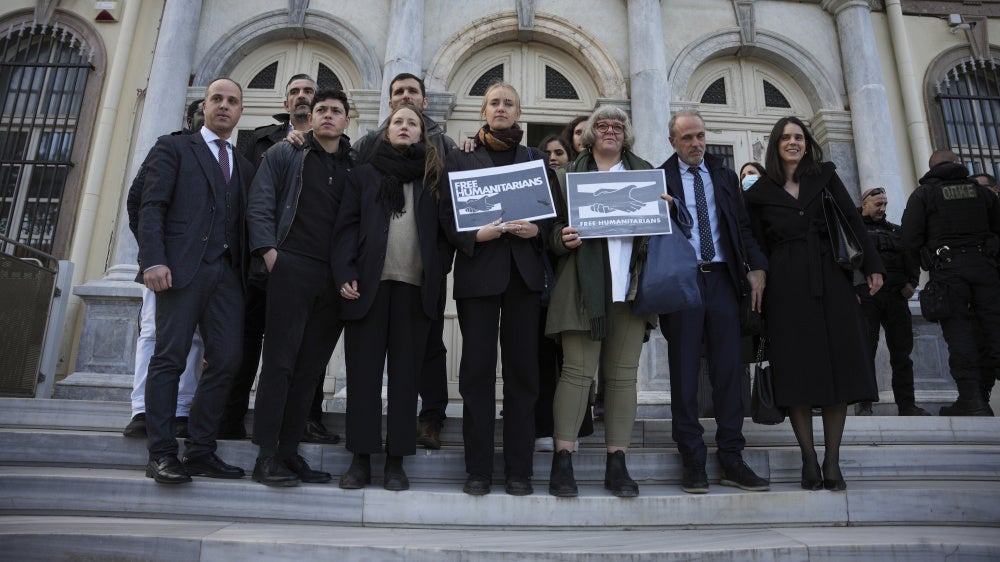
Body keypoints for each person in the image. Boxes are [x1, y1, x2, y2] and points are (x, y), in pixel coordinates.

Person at [743, 116, 884, 492]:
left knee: (839, 367)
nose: (793, 142)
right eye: (786, 137)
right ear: (775, 144)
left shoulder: (824, 175)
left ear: (807, 142)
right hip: (785, 286)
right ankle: (808, 458)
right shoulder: (758, 192)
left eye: (799, 137)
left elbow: (853, 219)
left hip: (832, 280)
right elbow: (753, 241)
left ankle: (832, 461)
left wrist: (872, 265)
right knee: (796, 372)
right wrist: (756, 270)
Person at [137, 77, 254, 484]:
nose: (225, 106)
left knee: (226, 361)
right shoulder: (173, 147)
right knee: (170, 357)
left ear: (241, 111)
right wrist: (154, 258)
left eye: (232, 101)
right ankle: (162, 453)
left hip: (227, 276)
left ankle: (202, 451)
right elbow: (148, 204)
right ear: (203, 106)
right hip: (180, 272)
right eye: (217, 99)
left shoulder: (243, 163)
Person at [439, 81, 548, 496]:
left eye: (508, 103)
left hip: (522, 280)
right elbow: (445, 214)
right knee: (477, 376)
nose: (501, 108)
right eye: (494, 103)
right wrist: (472, 238)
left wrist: (537, 228)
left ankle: (519, 471)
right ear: (483, 111)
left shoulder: (534, 158)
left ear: (519, 112)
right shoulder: (459, 158)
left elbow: (551, 218)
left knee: (523, 376)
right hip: (478, 279)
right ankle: (478, 470)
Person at [220, 74, 340, 446]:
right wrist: (270, 255)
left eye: (312, 93)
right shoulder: (267, 144)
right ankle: (246, 431)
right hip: (271, 267)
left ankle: (299, 434)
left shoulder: (345, 156)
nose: (305, 99)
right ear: (287, 103)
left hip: (321, 276)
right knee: (266, 353)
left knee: (306, 363)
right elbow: (255, 202)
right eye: (297, 93)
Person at [244, 89, 354, 487]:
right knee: (279, 365)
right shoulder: (284, 154)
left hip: (332, 279)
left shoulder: (355, 164)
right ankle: (266, 455)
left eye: (335, 111)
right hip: (291, 268)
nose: (327, 116)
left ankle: (290, 453)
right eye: (321, 110)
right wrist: (269, 253)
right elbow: (259, 203)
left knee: (309, 371)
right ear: (309, 117)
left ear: (346, 119)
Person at [334, 106, 446, 491]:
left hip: (415, 291)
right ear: (386, 133)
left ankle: (396, 461)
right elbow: (346, 227)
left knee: (405, 379)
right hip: (368, 288)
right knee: (363, 377)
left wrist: (439, 269)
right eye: (397, 121)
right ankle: (360, 459)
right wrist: (345, 271)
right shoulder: (363, 176)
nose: (404, 126)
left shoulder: (434, 180)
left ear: (421, 135)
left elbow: (445, 233)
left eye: (412, 123)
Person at [545, 106, 655, 498]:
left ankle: (617, 463)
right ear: (590, 134)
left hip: (630, 288)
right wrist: (562, 239)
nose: (611, 130)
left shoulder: (646, 174)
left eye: (618, 126)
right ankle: (563, 459)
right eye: (603, 125)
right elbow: (550, 232)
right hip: (580, 289)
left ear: (626, 135)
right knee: (576, 373)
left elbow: (660, 233)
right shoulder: (566, 175)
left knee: (623, 377)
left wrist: (667, 210)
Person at [659, 110, 770, 494]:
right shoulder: (660, 178)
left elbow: (742, 227)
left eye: (700, 136)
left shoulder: (723, 176)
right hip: (682, 282)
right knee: (685, 373)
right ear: (673, 141)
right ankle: (692, 458)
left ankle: (731, 456)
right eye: (687, 138)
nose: (696, 144)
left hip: (723, 281)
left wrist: (756, 266)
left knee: (728, 371)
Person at [351, 73, 458, 450]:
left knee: (418, 362)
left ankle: (424, 426)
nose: (405, 100)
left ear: (424, 105)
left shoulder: (442, 153)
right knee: (366, 367)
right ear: (389, 104)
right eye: (398, 94)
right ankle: (362, 453)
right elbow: (351, 213)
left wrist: (439, 263)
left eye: (412, 94)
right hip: (372, 280)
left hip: (419, 280)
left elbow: (451, 215)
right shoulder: (366, 150)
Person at [123, 100, 204, 440]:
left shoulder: (229, 157)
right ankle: (142, 409)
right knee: (152, 334)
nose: (210, 113)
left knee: (197, 339)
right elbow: (139, 202)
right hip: (164, 265)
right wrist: (153, 258)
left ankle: (183, 409)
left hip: (204, 269)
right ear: (189, 118)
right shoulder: (168, 147)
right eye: (201, 110)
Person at [901, 150, 1000, 416]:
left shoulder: (924, 195)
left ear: (931, 167)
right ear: (958, 165)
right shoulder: (983, 193)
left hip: (948, 271)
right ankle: (979, 397)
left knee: (959, 333)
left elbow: (909, 239)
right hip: (986, 271)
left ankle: (972, 399)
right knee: (994, 331)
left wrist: (910, 278)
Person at [854, 187, 930, 417]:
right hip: (867, 298)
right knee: (866, 350)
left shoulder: (896, 231)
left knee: (902, 354)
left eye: (885, 204)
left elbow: (911, 258)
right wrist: (854, 291)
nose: (882, 209)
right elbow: (848, 262)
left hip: (896, 297)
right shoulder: (854, 231)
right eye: (878, 204)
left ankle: (907, 404)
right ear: (864, 203)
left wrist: (912, 283)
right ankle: (865, 404)